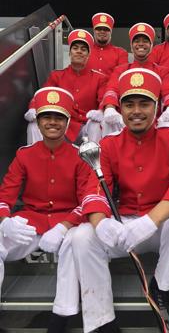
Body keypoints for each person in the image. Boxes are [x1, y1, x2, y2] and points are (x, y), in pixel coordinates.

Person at [70, 68, 169, 333]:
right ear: (119, 108)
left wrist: (151, 220)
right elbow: (94, 188)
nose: (136, 111)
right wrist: (101, 224)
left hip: (162, 228)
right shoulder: (109, 143)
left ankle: (161, 287)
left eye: (144, 103)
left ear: (156, 107)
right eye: (129, 104)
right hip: (125, 227)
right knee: (82, 237)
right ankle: (101, 322)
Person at [0, 87, 90, 332]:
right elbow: (5, 195)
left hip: (66, 222)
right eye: (46, 117)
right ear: (38, 122)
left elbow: (87, 202)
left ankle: (63, 315)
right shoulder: (24, 156)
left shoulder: (79, 157)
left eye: (59, 117)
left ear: (67, 122)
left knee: (75, 242)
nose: (52, 122)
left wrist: (63, 227)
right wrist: (4, 220)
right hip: (31, 221)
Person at [25, 29, 107, 144]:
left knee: (96, 124)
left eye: (83, 49)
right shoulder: (57, 75)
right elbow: (42, 95)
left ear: (88, 55)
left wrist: (100, 111)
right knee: (34, 124)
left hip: (86, 126)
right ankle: (35, 160)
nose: (79, 51)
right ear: (69, 52)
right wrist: (33, 108)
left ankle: (94, 160)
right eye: (75, 48)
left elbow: (104, 98)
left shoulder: (99, 78)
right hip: (62, 125)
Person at [101, 22, 169, 135]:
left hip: (154, 121)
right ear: (131, 46)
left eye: (145, 41)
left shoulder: (162, 71)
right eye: (137, 41)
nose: (141, 44)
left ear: (151, 45)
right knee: (106, 122)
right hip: (124, 120)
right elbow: (112, 89)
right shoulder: (120, 70)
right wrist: (110, 108)